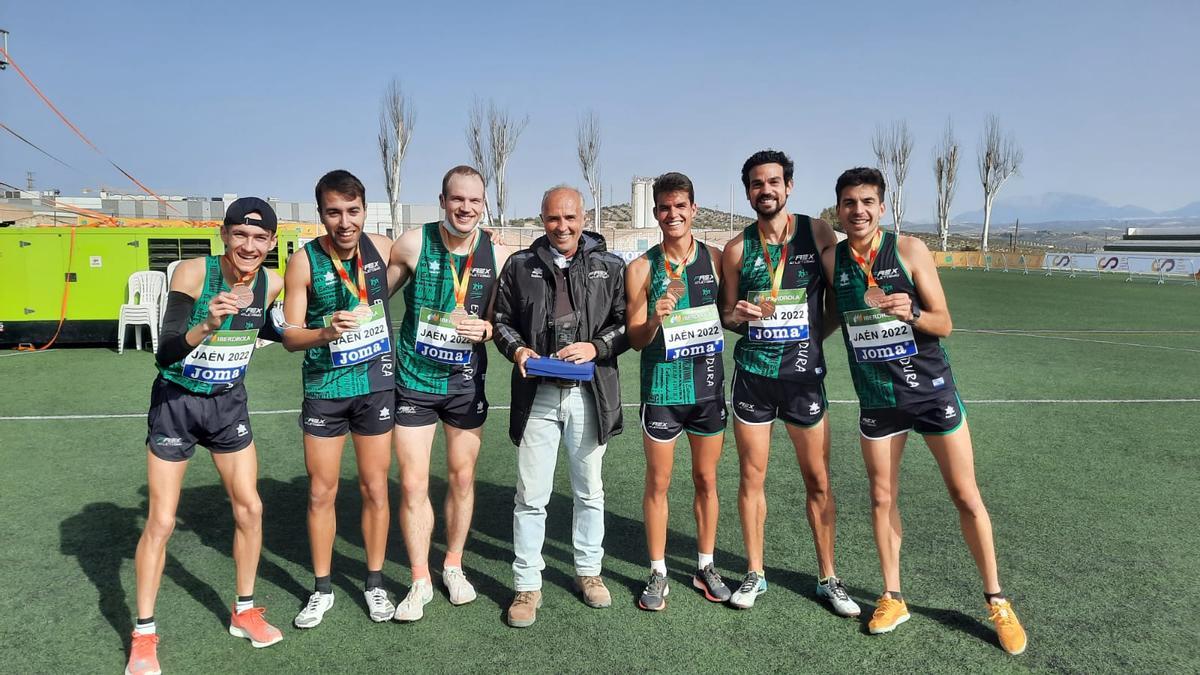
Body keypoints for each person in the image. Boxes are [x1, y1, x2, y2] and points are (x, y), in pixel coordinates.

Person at [823, 167, 1027, 654]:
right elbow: (833, 316)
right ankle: (893, 596)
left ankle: (997, 600)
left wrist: (910, 311)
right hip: (878, 399)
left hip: (932, 394)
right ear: (839, 208)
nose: (858, 210)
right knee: (881, 498)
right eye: (849, 202)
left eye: (868, 201)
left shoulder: (909, 250)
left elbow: (944, 322)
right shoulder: (833, 260)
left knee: (965, 494)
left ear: (882, 206)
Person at [127, 198, 285, 675]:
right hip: (177, 403)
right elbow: (165, 350)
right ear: (224, 235)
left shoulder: (271, 282)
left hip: (227, 403)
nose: (249, 246)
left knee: (250, 507)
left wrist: (320, 331)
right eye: (240, 235)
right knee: (162, 521)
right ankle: (144, 635)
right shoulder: (194, 274)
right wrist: (206, 325)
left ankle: (244, 610)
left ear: (272, 244)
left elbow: (272, 328)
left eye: (260, 239)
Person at [718, 150, 860, 616]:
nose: (766, 190)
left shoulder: (816, 232)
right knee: (751, 478)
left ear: (789, 186)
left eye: (774, 182)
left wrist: (818, 335)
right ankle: (755, 572)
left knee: (817, 480)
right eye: (757, 184)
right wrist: (735, 317)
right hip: (754, 380)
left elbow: (837, 297)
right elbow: (727, 314)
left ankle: (828, 577)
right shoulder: (737, 248)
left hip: (803, 380)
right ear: (748, 192)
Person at [492, 185, 628, 627]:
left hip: (590, 392)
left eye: (570, 218)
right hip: (539, 394)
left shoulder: (611, 266)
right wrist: (517, 351)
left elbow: (626, 324)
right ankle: (527, 585)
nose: (562, 226)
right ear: (542, 219)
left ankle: (590, 573)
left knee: (590, 490)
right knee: (531, 496)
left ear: (583, 218)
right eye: (553, 218)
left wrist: (596, 346)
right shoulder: (519, 265)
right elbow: (501, 321)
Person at [385, 165, 508, 621]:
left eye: (475, 201)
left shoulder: (495, 252)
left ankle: (452, 565)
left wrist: (489, 328)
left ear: (483, 205)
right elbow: (376, 295)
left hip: (465, 383)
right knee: (414, 482)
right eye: (458, 200)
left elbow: (498, 321)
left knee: (460, 478)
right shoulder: (415, 244)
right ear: (442, 200)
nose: (466, 208)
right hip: (415, 382)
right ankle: (420, 580)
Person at [281, 170, 397, 628]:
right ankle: (322, 588)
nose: (345, 221)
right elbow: (290, 337)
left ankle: (374, 583)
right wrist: (326, 332)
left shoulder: (384, 249)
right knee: (321, 492)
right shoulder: (304, 261)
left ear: (365, 210)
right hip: (326, 389)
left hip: (375, 387)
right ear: (321, 214)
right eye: (334, 212)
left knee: (374, 488)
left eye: (353, 211)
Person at [625, 172, 730, 610]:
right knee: (659, 482)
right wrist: (655, 318)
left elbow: (730, 314)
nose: (673, 214)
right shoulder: (641, 267)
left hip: (707, 389)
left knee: (706, 479)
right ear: (655, 213)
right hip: (664, 390)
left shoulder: (719, 259)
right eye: (665, 208)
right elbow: (634, 338)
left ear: (694, 209)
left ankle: (705, 564)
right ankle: (658, 570)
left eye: (680, 206)